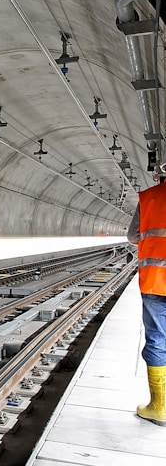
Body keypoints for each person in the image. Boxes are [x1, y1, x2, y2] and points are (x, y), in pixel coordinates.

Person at [127, 175, 166, 426]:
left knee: (157, 339)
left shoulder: (149, 197)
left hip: (156, 279)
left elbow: (133, 236)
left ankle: (159, 407)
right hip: (154, 280)